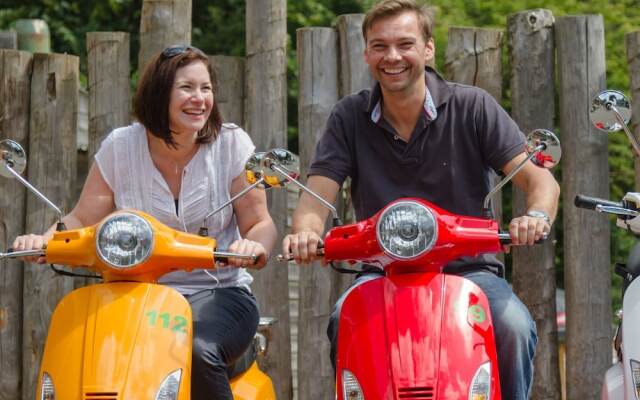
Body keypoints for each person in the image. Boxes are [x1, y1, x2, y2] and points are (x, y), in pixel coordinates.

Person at [281, 1, 560, 399]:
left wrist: (534, 215)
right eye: (379, 46)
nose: (392, 56)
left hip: (469, 271)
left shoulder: (472, 106)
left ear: (428, 49)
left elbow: (541, 182)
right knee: (345, 318)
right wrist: (306, 234)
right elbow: (315, 201)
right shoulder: (349, 116)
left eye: (404, 44)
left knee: (512, 324)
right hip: (381, 272)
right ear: (366, 53)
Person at [13, 45, 277, 400]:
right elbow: (80, 219)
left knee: (196, 350)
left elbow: (259, 221)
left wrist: (253, 245)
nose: (199, 99)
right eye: (187, 88)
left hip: (217, 292)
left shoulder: (231, 145)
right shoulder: (121, 147)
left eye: (206, 88)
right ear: (158, 93)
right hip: (134, 295)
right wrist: (42, 242)